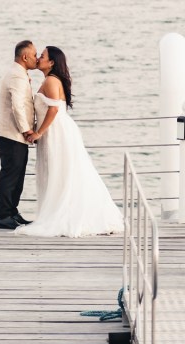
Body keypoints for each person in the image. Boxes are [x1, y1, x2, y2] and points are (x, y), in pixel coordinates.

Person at [15, 46, 123, 238]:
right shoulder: (49, 80)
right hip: (55, 130)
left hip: (57, 131)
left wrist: (39, 133)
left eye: (42, 56)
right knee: (61, 172)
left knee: (61, 171)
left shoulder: (50, 81)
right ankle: (58, 209)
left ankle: (64, 213)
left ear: (52, 63)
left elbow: (54, 110)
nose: (38, 58)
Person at [0, 40, 37, 230]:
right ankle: (4, 215)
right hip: (12, 133)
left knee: (17, 174)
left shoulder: (18, 74)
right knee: (11, 174)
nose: (36, 58)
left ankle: (12, 211)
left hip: (13, 133)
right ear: (25, 57)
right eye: (34, 55)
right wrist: (27, 130)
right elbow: (17, 106)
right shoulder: (17, 77)